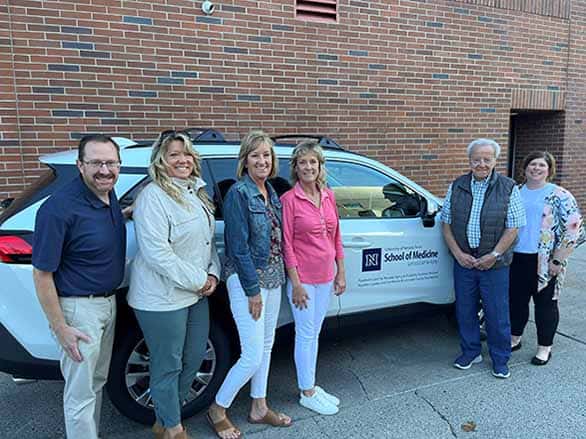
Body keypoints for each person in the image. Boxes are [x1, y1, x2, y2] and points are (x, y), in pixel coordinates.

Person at [32, 134, 126, 439]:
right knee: (79, 396)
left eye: (110, 162)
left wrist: (129, 213)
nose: (104, 169)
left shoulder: (108, 196)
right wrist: (61, 328)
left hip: (107, 305)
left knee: (95, 384)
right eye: (96, 162)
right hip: (77, 312)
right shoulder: (58, 209)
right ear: (80, 165)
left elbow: (93, 230)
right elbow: (42, 274)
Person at [127, 131, 220, 439]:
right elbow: (157, 254)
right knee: (167, 365)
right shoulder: (153, 197)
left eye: (187, 154)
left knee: (193, 359)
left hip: (196, 293)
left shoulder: (196, 193)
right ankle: (174, 429)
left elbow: (207, 245)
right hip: (161, 298)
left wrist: (213, 275)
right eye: (174, 155)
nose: (182, 160)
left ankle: (165, 418)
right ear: (161, 162)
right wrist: (199, 280)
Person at [207, 130, 291, 439]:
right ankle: (218, 407)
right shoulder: (239, 194)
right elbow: (238, 247)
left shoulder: (269, 190)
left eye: (266, 155)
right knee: (252, 353)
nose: (262, 160)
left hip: (273, 278)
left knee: (267, 346)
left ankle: (259, 406)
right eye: (255, 155)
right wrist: (252, 290)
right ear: (245, 160)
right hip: (248, 281)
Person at [440, 138, 526, 379]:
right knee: (465, 310)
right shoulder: (457, 186)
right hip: (464, 262)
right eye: (476, 159)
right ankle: (470, 352)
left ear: (495, 161)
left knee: (497, 312)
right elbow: (445, 223)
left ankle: (500, 358)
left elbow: (514, 227)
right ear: (469, 160)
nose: (481, 164)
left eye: (487, 159)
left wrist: (494, 254)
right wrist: (458, 254)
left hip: (495, 264)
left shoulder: (508, 187)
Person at [281, 140, 346, 415]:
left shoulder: (328, 195)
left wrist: (341, 271)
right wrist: (295, 283)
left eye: (313, 162)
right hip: (304, 280)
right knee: (305, 334)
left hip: (326, 277)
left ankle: (312, 384)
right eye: (303, 162)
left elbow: (336, 236)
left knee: (315, 333)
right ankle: (306, 392)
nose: (308, 167)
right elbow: (287, 244)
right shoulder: (289, 200)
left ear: (320, 166)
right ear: (295, 167)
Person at [509, 152, 583, 366]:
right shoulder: (515, 192)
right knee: (516, 302)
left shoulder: (559, 194)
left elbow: (573, 229)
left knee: (545, 305)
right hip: (516, 257)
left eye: (542, 165)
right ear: (525, 168)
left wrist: (558, 260)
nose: (536, 168)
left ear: (549, 170)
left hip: (546, 260)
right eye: (532, 164)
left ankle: (544, 348)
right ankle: (515, 338)